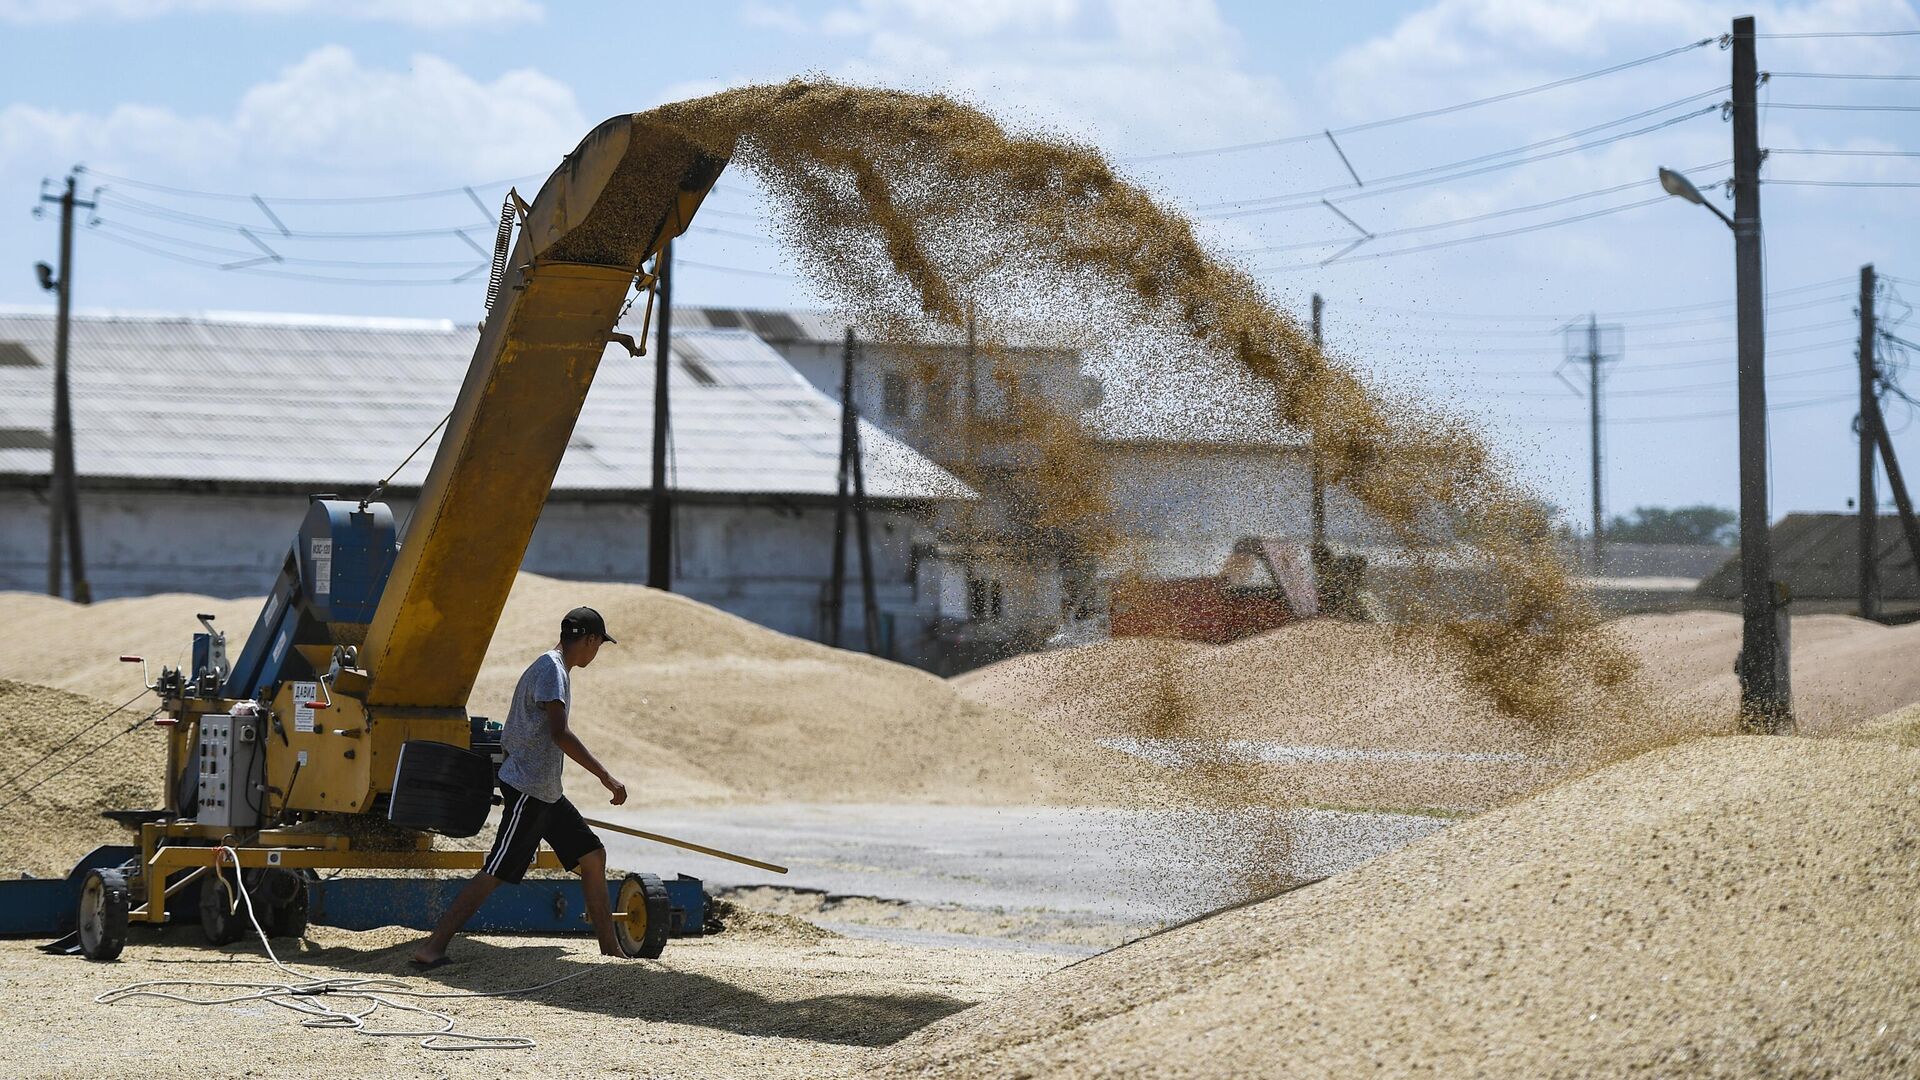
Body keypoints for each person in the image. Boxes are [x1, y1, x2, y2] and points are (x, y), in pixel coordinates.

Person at [411, 607, 630, 967]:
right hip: (528, 790)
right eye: (598, 644)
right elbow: (559, 733)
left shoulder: (554, 669)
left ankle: (610, 952)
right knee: (495, 871)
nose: (597, 652)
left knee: (593, 857)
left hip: (547, 792)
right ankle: (431, 947)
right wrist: (605, 776)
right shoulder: (551, 670)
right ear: (590, 640)